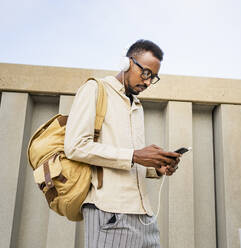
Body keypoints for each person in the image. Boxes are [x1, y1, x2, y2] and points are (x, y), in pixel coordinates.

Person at [64, 39, 181, 248]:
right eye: (145, 73)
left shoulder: (137, 105)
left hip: (145, 216)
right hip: (110, 214)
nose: (147, 82)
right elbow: (75, 146)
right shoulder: (95, 89)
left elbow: (128, 160)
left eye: (153, 78)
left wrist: (157, 167)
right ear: (127, 63)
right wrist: (135, 155)